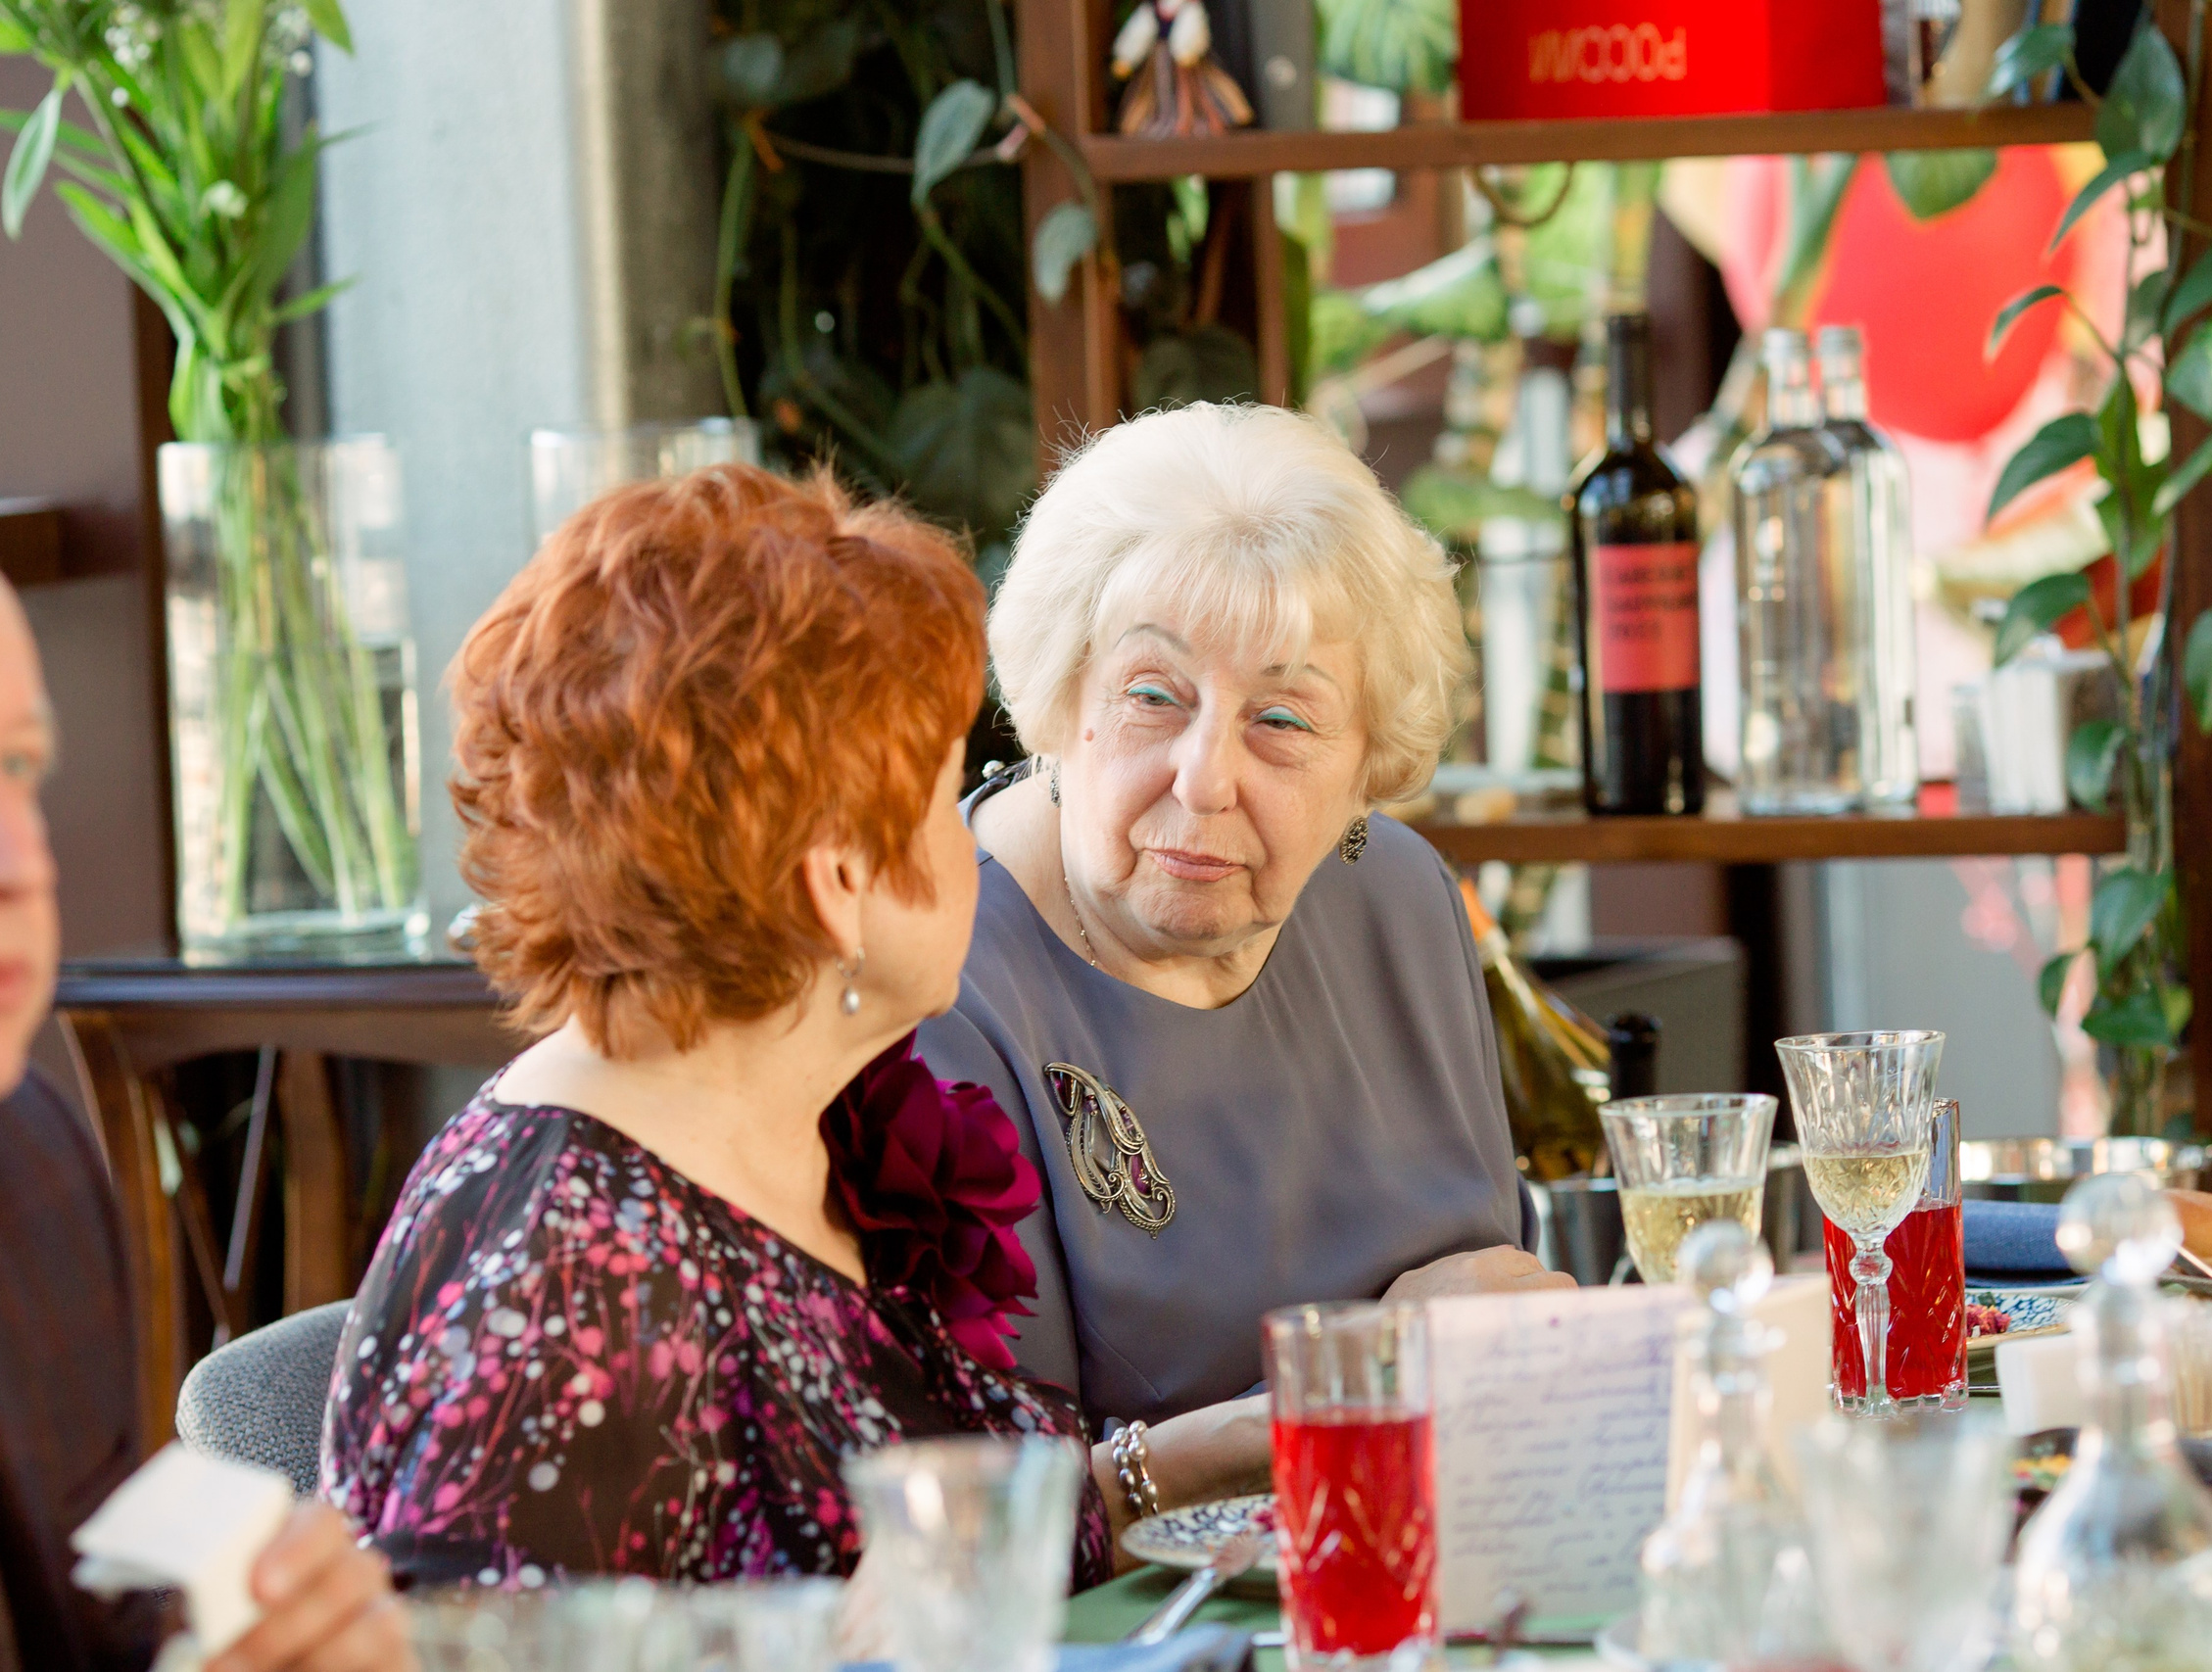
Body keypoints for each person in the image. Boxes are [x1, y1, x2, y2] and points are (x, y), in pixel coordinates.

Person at [319, 465, 1261, 1591]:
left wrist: (1234, 1448)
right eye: (943, 799)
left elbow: (912, 1541)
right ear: (837, 885)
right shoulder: (577, 1280)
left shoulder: (759, 1126)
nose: (974, 841)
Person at [916, 402, 1572, 1445]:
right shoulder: (936, 981)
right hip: (1137, 1613)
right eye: (1152, 695)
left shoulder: (1397, 896)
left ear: (1369, 764)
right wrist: (1371, 1376)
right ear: (1059, 694)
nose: (1205, 777)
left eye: (1280, 719)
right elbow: (988, 1513)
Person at [0, 558, 409, 1672]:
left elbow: (110, 1638)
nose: (17, 861)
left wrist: (257, 1640)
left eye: (18, 768)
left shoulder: (25, 1168)